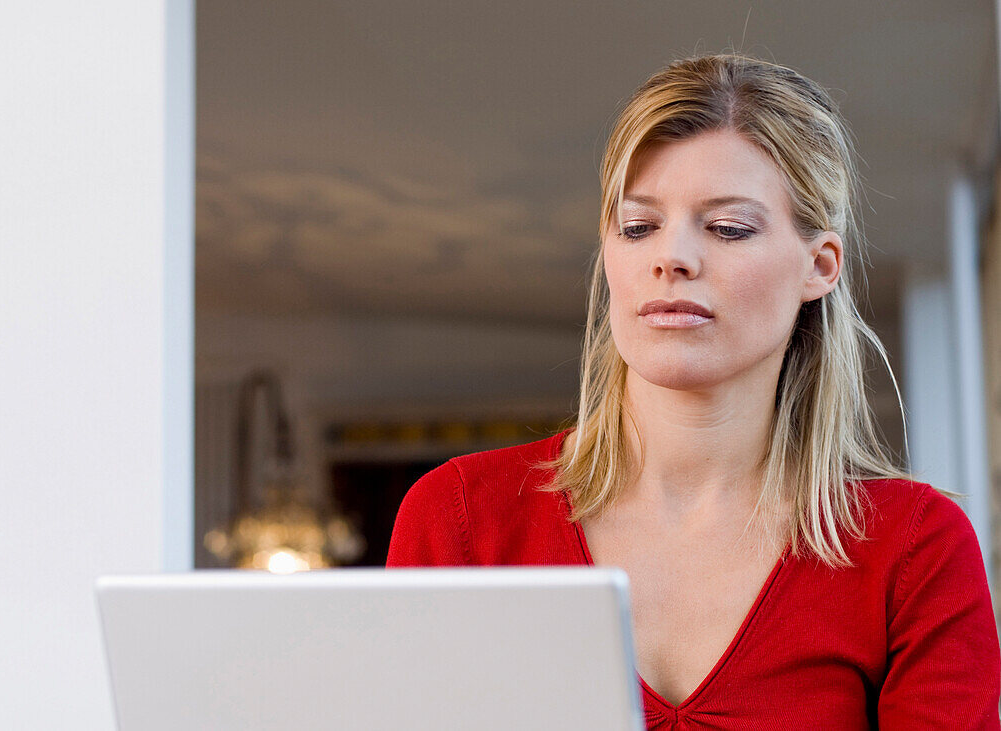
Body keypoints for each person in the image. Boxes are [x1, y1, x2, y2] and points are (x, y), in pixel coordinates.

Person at [385, 53, 1000, 728]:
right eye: (638, 225)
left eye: (728, 227)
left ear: (819, 266)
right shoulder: (461, 517)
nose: (670, 256)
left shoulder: (914, 549)